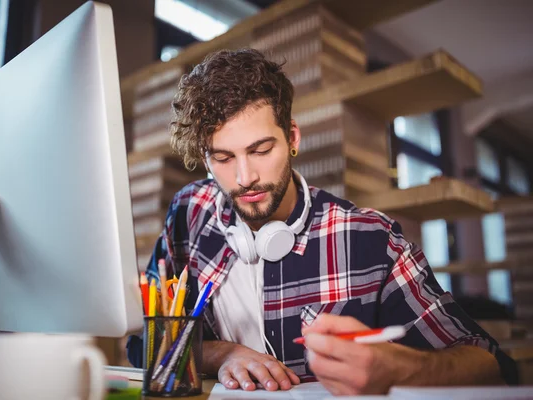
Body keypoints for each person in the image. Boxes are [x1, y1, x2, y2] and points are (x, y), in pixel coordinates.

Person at [141, 48, 516, 396]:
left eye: (261, 150)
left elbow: (493, 366)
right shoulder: (189, 213)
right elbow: (144, 343)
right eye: (222, 158)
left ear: (291, 138)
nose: (244, 177)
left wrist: (399, 368)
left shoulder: (371, 239)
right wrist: (221, 353)